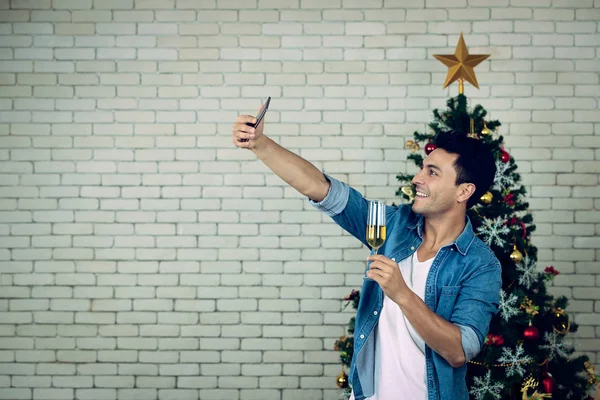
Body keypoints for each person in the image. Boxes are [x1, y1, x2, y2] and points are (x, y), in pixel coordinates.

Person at [232, 107, 502, 400]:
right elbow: (321, 188)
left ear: (464, 192)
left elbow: (459, 351)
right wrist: (260, 143)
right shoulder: (392, 225)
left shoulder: (480, 264)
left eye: (432, 172)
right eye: (423, 167)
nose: (417, 178)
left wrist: (402, 294)